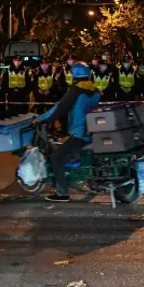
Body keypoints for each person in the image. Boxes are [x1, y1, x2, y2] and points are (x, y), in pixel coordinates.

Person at [36, 62, 100, 202]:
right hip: (94, 131)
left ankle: (62, 192)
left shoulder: (75, 90)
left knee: (57, 157)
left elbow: (60, 108)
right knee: (75, 155)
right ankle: (88, 182)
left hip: (80, 133)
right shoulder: (95, 89)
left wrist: (42, 118)